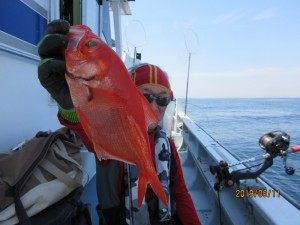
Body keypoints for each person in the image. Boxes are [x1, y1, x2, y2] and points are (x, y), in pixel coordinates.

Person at [38, 19, 201, 225]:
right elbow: (86, 132)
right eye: (145, 96)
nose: (154, 105)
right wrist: (70, 106)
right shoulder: (113, 135)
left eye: (162, 99)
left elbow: (182, 194)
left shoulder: (167, 145)